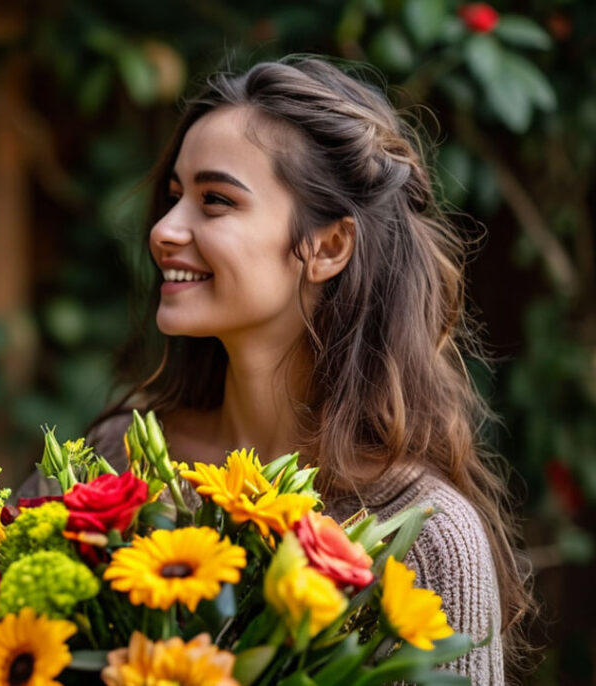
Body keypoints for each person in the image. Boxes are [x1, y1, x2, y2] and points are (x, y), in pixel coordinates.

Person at [86, 58, 530, 683]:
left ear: (327, 247)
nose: (163, 229)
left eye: (215, 201)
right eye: (173, 196)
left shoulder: (427, 538)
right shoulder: (117, 461)